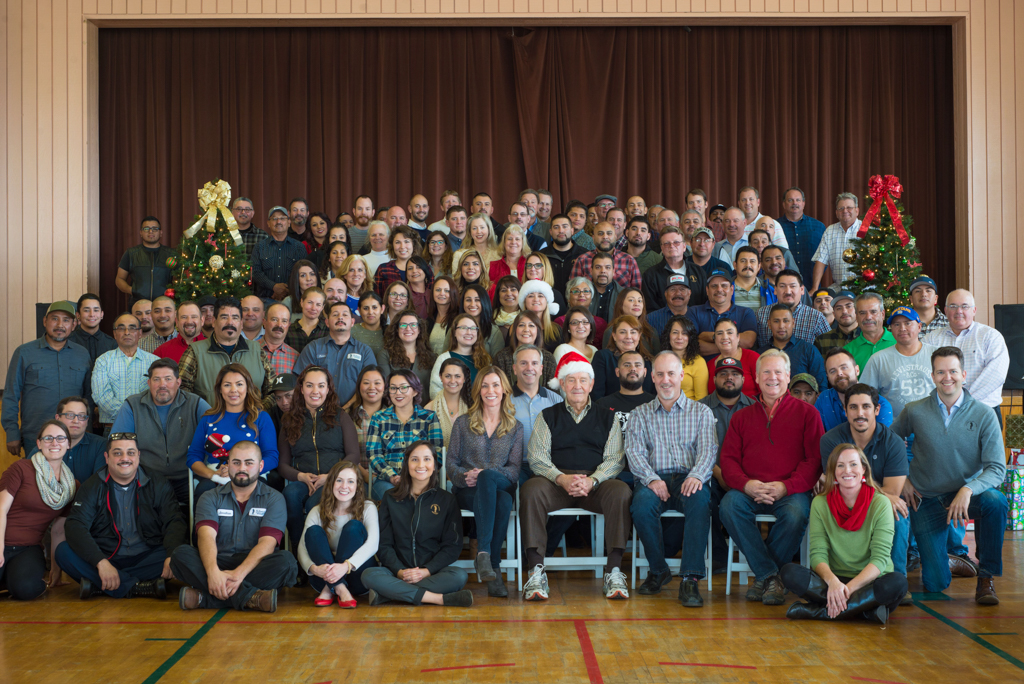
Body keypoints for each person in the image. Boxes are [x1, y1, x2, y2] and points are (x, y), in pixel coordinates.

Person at [891, 347, 1008, 603]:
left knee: (995, 502)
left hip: (964, 499)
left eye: (953, 371)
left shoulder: (984, 414)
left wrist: (968, 490)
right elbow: (888, 441)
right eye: (941, 372)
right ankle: (946, 561)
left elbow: (997, 468)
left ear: (963, 374)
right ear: (932, 376)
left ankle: (985, 578)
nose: (948, 377)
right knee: (935, 584)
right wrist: (904, 479)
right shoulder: (914, 410)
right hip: (926, 500)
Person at [521, 347, 632, 601]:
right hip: (556, 484)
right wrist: (561, 478)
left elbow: (615, 459)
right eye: (571, 380)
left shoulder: (609, 418)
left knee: (621, 491)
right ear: (562, 384)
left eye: (583, 380)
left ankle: (613, 569)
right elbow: (537, 458)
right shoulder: (547, 416)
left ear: (592, 384)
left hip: (596, 485)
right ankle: (536, 570)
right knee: (530, 489)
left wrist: (592, 481)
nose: (577, 386)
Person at [719, 349, 825, 605]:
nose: (772, 377)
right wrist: (747, 484)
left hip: (790, 491)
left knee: (797, 513)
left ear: (788, 376)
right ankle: (771, 576)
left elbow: (814, 461)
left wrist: (785, 487)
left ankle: (764, 579)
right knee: (728, 506)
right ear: (756, 377)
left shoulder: (808, 414)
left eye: (778, 372)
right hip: (749, 490)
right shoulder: (741, 416)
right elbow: (728, 460)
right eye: (766, 371)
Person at [626, 353, 717, 606]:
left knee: (700, 503)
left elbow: (709, 450)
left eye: (671, 374)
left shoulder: (701, 412)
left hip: (690, 477)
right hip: (654, 478)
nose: (666, 380)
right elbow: (634, 452)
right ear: (652, 377)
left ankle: (690, 578)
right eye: (660, 374)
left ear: (681, 376)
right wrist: (652, 479)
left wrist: (697, 475)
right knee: (641, 506)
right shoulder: (639, 414)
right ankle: (658, 570)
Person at [780, 444, 907, 624]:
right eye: (840, 465)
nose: (847, 470)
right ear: (833, 471)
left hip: (869, 581)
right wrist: (833, 583)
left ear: (863, 469)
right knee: (789, 572)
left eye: (853, 464)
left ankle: (820, 612)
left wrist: (847, 589)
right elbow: (817, 554)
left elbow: (880, 560)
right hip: (834, 579)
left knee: (898, 583)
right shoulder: (820, 503)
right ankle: (864, 612)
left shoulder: (881, 503)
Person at [56, 432, 186, 600]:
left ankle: (102, 586)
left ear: (138, 455)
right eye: (117, 453)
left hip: (148, 557)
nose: (125, 458)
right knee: (63, 552)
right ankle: (139, 587)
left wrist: (171, 554)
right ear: (107, 457)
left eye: (131, 453)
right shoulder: (92, 486)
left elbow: (174, 520)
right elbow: (75, 526)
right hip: (107, 557)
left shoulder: (157, 482)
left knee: (183, 552)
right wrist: (100, 562)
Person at [172, 441, 297, 612]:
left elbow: (267, 544)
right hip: (217, 561)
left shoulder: (274, 498)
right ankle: (252, 598)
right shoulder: (209, 497)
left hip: (255, 565)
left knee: (287, 563)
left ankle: (205, 599)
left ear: (260, 466)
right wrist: (213, 572)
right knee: (180, 555)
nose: (242, 468)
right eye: (236, 462)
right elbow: (206, 537)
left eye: (249, 463)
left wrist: (238, 575)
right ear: (228, 465)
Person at [361, 442, 473, 607]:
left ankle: (390, 593)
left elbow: (452, 547)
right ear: (407, 464)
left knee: (459, 576)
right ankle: (438, 599)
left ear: (434, 464)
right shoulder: (390, 498)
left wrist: (425, 571)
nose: (421, 465)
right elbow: (384, 545)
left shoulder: (447, 500)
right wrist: (400, 572)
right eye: (415, 459)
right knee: (368, 575)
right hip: (397, 573)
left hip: (432, 573)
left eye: (427, 459)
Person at [820, 384, 911, 578]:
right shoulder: (831, 440)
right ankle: (840, 577)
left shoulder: (893, 442)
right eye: (853, 407)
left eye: (866, 407)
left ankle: (895, 579)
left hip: (879, 504)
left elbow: (892, 493)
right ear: (845, 411)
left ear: (877, 410)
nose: (859, 413)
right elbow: (834, 483)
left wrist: (868, 490)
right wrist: (879, 492)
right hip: (843, 500)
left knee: (899, 516)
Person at [447, 368, 524, 597]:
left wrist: (484, 473)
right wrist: (464, 476)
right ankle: (495, 568)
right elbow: (451, 462)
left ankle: (482, 553)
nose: (491, 391)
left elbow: (514, 469)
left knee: (489, 477)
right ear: (478, 391)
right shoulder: (462, 423)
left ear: (504, 390)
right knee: (503, 502)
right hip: (468, 491)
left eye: (496, 385)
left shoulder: (515, 427)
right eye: (485, 386)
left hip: (500, 482)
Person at [110, 358, 211, 506]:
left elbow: (216, 433)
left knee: (206, 500)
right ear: (149, 383)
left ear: (178, 382)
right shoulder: (132, 405)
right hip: (148, 478)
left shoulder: (195, 403)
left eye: (168, 379)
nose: (162, 385)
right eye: (156, 379)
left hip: (188, 476)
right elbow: (118, 443)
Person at [278, 366, 361, 542]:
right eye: (309, 385)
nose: (315, 391)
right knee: (290, 494)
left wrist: (330, 476)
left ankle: (315, 548)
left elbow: (353, 455)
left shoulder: (340, 416)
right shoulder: (289, 420)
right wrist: (301, 476)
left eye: (321, 386)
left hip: (333, 480)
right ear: (301, 389)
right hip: (303, 480)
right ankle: (298, 549)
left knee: (312, 504)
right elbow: (283, 464)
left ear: (328, 389)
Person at [0, 421, 76, 600]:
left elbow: (58, 531)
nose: (54, 443)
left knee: (27, 589)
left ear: (68, 443)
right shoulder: (21, 469)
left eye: (60, 438)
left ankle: (12, 580)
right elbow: (1, 509)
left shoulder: (71, 487)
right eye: (48, 438)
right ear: (39, 443)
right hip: (1, 540)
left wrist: (56, 571)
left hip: (27, 549)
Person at [4, 301, 92, 455]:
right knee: (35, 478)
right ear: (45, 321)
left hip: (74, 436)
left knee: (74, 479)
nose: (60, 324)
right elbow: (11, 395)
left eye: (66, 320)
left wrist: (87, 430)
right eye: (54, 318)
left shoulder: (82, 354)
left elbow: (88, 396)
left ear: (74, 324)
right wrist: (12, 433)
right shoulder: (24, 352)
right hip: (36, 436)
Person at [186, 363, 278, 502]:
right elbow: (193, 457)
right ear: (220, 390)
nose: (233, 390)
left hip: (252, 476)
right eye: (227, 385)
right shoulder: (208, 419)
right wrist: (212, 474)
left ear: (248, 388)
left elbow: (272, 456)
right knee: (204, 492)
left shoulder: (261, 418)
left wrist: (243, 471)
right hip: (216, 476)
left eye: (239, 384)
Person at [700, 356, 757, 569]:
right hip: (712, 474)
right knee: (704, 497)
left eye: (734, 374)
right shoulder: (700, 408)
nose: (729, 378)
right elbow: (694, 448)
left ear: (743, 379)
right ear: (714, 379)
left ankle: (754, 555)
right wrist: (717, 473)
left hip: (746, 477)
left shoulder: (755, 407)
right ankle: (719, 557)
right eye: (723, 374)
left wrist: (739, 477)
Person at [297, 460, 379, 607]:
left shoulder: (367, 507)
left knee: (353, 527)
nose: (344, 486)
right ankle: (339, 588)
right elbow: (302, 547)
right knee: (313, 531)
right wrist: (314, 569)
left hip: (356, 575)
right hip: (322, 577)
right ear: (331, 484)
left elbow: (373, 544)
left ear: (357, 486)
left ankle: (331, 588)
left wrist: (345, 566)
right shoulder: (317, 511)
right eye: (339, 480)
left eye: (350, 481)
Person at [922, 289, 1010, 421]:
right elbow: (924, 373)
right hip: (942, 412)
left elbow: (996, 375)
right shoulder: (931, 339)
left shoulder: (990, 336)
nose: (959, 311)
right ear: (945, 311)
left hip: (983, 410)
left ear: (974, 310)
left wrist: (963, 401)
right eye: (953, 306)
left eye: (965, 306)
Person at [178, 296, 276, 407]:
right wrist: (201, 414)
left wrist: (258, 413)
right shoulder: (195, 352)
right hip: (209, 421)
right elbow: (181, 391)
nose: (230, 322)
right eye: (224, 317)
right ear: (214, 322)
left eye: (235, 317)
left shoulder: (257, 350)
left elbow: (273, 390)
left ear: (241, 323)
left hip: (252, 422)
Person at [366, 370, 444, 500]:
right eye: (393, 388)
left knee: (423, 497)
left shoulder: (429, 418)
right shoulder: (379, 418)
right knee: (393, 497)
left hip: (422, 479)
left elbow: (437, 454)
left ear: (415, 391)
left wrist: (417, 478)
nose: (398, 393)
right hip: (387, 481)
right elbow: (374, 454)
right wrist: (392, 476)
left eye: (403, 388)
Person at [593, 350, 655, 490]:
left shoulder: (656, 404)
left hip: (649, 473)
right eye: (627, 365)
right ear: (617, 371)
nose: (632, 368)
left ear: (645, 372)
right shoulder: (602, 405)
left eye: (637, 365)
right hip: (613, 475)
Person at [861, 306, 938, 418]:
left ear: (919, 326)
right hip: (894, 429)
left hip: (932, 423)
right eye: (896, 324)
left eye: (907, 323)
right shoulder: (878, 359)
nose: (902, 328)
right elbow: (865, 395)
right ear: (891, 329)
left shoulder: (936, 354)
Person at [294, 301, 377, 404]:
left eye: (345, 314)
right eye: (335, 314)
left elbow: (371, 385)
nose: (340, 318)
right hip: (318, 412)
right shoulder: (313, 348)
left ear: (352, 322)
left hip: (354, 413)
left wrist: (348, 407)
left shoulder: (365, 351)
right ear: (327, 322)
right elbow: (301, 382)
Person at [92, 313, 160, 430]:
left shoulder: (154, 362)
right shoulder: (103, 361)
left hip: (147, 427)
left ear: (140, 333)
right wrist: (131, 414)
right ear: (114, 333)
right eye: (121, 328)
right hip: (113, 426)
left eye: (132, 328)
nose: (127, 332)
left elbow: (158, 394)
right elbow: (101, 396)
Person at [27, 396, 105, 483]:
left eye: (81, 416)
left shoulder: (101, 445)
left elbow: (100, 486)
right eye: (70, 415)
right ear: (57, 418)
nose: (76, 421)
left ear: (87, 421)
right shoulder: (44, 447)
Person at [816, 347, 894, 431]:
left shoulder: (881, 404)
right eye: (832, 371)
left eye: (844, 367)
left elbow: (881, 442)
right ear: (827, 377)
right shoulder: (824, 399)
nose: (839, 373)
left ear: (857, 370)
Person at [688, 269, 758, 358]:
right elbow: (692, 345)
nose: (719, 289)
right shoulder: (694, 312)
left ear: (732, 289)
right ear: (707, 290)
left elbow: (748, 341)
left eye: (724, 286)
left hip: (736, 369)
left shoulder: (746, 313)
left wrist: (710, 336)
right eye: (714, 286)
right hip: (703, 369)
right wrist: (729, 344)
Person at [757, 304, 827, 391]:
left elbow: (822, 386)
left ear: (793, 323)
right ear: (769, 324)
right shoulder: (760, 354)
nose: (781, 326)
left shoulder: (808, 350)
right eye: (776, 321)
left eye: (786, 321)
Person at [755, 270, 830, 348]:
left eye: (793, 286)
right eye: (782, 286)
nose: (788, 291)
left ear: (802, 290)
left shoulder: (816, 317)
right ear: (776, 290)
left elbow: (830, 347)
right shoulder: (761, 314)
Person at [642, 226, 708, 311]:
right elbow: (650, 308)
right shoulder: (650, 275)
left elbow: (705, 303)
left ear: (684, 246)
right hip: (662, 323)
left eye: (676, 242)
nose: (671, 246)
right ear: (661, 248)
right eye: (666, 243)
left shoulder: (698, 272)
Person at [429, 313, 492, 399]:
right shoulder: (444, 358)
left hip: (480, 410)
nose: (469, 332)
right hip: (451, 410)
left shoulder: (486, 359)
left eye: (473, 328)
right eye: (463, 328)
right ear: (454, 332)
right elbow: (434, 391)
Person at [251, 206, 309, 301]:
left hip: (293, 300)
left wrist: (286, 290)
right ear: (268, 223)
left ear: (289, 222)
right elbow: (255, 272)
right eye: (274, 219)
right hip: (265, 299)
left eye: (282, 218)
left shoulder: (299, 247)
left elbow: (303, 272)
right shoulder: (259, 247)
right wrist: (274, 287)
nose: (278, 222)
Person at [115, 216, 177, 303]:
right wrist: (131, 290)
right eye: (146, 228)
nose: (150, 231)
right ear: (140, 232)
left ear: (161, 232)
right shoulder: (131, 253)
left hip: (164, 304)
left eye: (155, 228)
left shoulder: (171, 254)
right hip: (138, 304)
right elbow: (120, 278)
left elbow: (180, 278)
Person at [592, 315, 655, 400]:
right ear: (614, 336)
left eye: (633, 332)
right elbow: (596, 395)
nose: (628, 336)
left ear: (639, 336)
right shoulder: (603, 357)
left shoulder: (648, 361)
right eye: (622, 332)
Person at [342, 366, 387, 481]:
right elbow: (341, 452)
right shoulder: (346, 416)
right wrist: (364, 475)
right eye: (366, 383)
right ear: (359, 387)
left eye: (377, 383)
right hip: (353, 476)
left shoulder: (394, 415)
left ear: (385, 387)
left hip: (386, 478)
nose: (372, 388)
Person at [811, 193, 862, 293]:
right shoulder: (830, 231)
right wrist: (815, 288)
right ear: (836, 213)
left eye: (849, 207)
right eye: (841, 208)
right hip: (839, 288)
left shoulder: (866, 229)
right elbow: (821, 260)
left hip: (863, 288)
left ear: (857, 211)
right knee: (821, 299)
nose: (845, 211)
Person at [378, 310, 436, 397]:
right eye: (403, 325)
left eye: (413, 325)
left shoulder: (431, 357)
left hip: (425, 408)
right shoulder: (385, 355)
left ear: (419, 330)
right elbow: (386, 388)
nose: (408, 329)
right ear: (397, 329)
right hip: (395, 408)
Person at [493, 311, 557, 390]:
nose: (526, 329)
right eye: (521, 325)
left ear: (538, 331)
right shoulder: (501, 357)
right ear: (515, 330)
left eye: (531, 325)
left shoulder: (548, 358)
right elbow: (498, 389)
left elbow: (553, 393)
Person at [569, 221, 642, 290]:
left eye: (609, 233)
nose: (605, 237)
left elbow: (637, 292)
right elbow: (573, 290)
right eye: (600, 234)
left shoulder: (629, 260)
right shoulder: (582, 260)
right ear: (593, 238)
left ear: (615, 237)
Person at [777, 187, 827, 285]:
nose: (794, 203)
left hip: (812, 286)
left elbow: (825, 257)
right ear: (784, 204)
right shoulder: (775, 226)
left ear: (803, 203)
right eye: (790, 200)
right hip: (784, 285)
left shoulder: (819, 226)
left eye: (798, 200)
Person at [424, 357, 472, 449]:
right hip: (437, 461)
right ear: (440, 377)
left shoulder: (473, 407)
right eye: (448, 376)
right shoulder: (428, 409)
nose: (452, 381)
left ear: (464, 379)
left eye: (457, 376)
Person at [705, 318, 760, 398]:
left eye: (730, 332)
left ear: (738, 337)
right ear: (715, 339)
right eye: (719, 333)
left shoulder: (753, 358)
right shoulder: (709, 364)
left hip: (751, 409)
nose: (725, 337)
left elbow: (765, 392)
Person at [660, 315, 708, 400]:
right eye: (675, 332)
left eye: (684, 333)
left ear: (690, 337)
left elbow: (702, 399)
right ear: (668, 335)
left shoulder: (698, 362)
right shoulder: (660, 359)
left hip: (689, 410)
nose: (679, 337)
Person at [844, 292, 895, 370]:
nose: (868, 317)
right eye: (862, 313)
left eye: (873, 312)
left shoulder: (899, 342)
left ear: (883, 314)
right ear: (857, 317)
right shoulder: (848, 351)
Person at [540, 213, 588, 294]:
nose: (561, 231)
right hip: (549, 304)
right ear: (550, 232)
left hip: (577, 304)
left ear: (572, 230)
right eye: (556, 227)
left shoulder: (585, 255)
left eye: (565, 226)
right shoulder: (541, 256)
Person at [602, 287, 657, 353]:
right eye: (631, 300)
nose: (637, 304)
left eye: (640, 301)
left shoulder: (651, 332)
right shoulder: (611, 331)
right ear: (621, 304)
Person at [69, 293, 116, 365]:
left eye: (96, 310)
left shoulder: (112, 344)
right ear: (78, 315)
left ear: (102, 314)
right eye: (86, 310)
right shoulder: (68, 342)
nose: (92, 314)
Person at [372, 225, 419, 296]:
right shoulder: (383, 269)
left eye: (406, 241)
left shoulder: (423, 268)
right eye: (397, 242)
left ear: (413, 244)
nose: (402, 247)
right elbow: (376, 299)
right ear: (392, 245)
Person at [556, 277, 608, 342]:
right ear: (568, 297)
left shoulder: (601, 323)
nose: (581, 295)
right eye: (576, 291)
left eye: (586, 291)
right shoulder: (559, 322)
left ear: (591, 297)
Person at [517, 280, 562, 352]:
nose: (536, 299)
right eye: (531, 296)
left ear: (546, 301)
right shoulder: (516, 328)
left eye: (540, 296)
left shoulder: (556, 330)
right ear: (524, 302)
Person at [259, 303, 300, 377]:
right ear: (264, 322)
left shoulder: (295, 357)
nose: (279, 325)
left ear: (288, 325)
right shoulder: (249, 351)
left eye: (284, 321)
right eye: (274, 319)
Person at [813, 290, 859, 354]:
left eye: (849, 306)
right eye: (839, 308)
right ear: (834, 314)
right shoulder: (822, 340)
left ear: (857, 310)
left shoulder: (867, 336)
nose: (844, 311)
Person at [427, 275, 459, 355]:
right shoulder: (429, 319)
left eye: (447, 291)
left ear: (453, 293)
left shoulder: (459, 318)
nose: (442, 293)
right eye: (438, 290)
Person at [350, 292, 386, 360]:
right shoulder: (351, 331)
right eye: (366, 308)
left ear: (382, 309)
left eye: (374, 307)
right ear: (359, 311)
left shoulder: (390, 331)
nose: (370, 312)